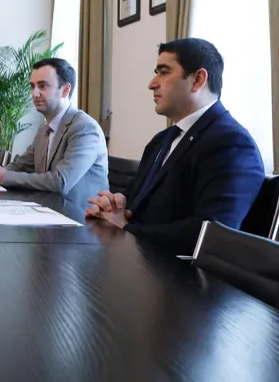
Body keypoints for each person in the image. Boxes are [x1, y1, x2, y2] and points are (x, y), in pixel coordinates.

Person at [86, 38, 264, 255]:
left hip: (176, 273)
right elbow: (131, 202)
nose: (152, 83)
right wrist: (114, 205)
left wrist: (127, 228)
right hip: (136, 259)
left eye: (164, 72)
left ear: (198, 79)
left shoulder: (232, 144)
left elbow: (209, 234)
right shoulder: (161, 140)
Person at [0, 58, 108, 205]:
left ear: (65, 90)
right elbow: (23, 165)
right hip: (48, 210)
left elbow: (60, 182)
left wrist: (5, 177)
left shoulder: (85, 128)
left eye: (42, 86)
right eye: (33, 86)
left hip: (80, 215)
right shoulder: (44, 128)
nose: (34, 94)